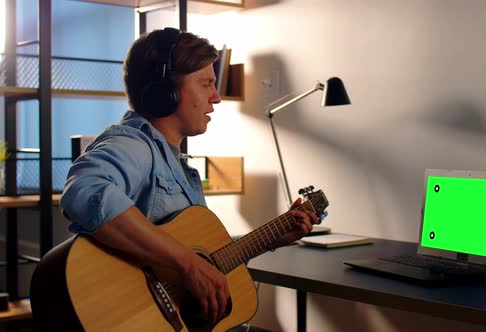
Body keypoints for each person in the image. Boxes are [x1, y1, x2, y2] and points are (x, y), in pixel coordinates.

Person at [60, 27, 318, 325]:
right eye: (205, 83)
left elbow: (203, 259)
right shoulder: (135, 143)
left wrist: (269, 238)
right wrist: (188, 264)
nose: (217, 97)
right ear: (164, 93)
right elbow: (85, 191)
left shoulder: (178, 165)